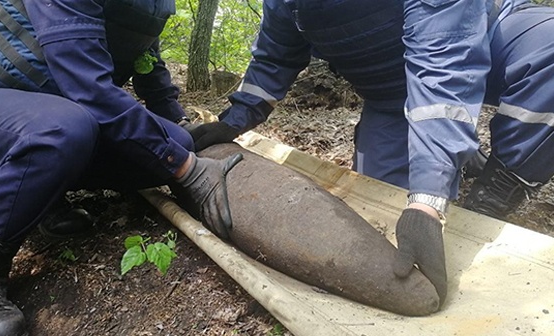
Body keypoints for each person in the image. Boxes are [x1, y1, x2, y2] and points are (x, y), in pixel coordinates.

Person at [188, 0, 554, 308]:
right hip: (391, 97)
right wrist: (234, 122)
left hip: (490, 34)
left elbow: (443, 59)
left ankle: (493, 193)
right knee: (379, 207)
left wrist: (428, 198)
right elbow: (275, 56)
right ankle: (460, 156)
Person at [0, 0, 242, 334]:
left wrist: (176, 126)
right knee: (64, 130)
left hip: (58, 111)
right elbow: (86, 85)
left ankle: (42, 196)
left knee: (174, 140)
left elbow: (146, 57)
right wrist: (186, 168)